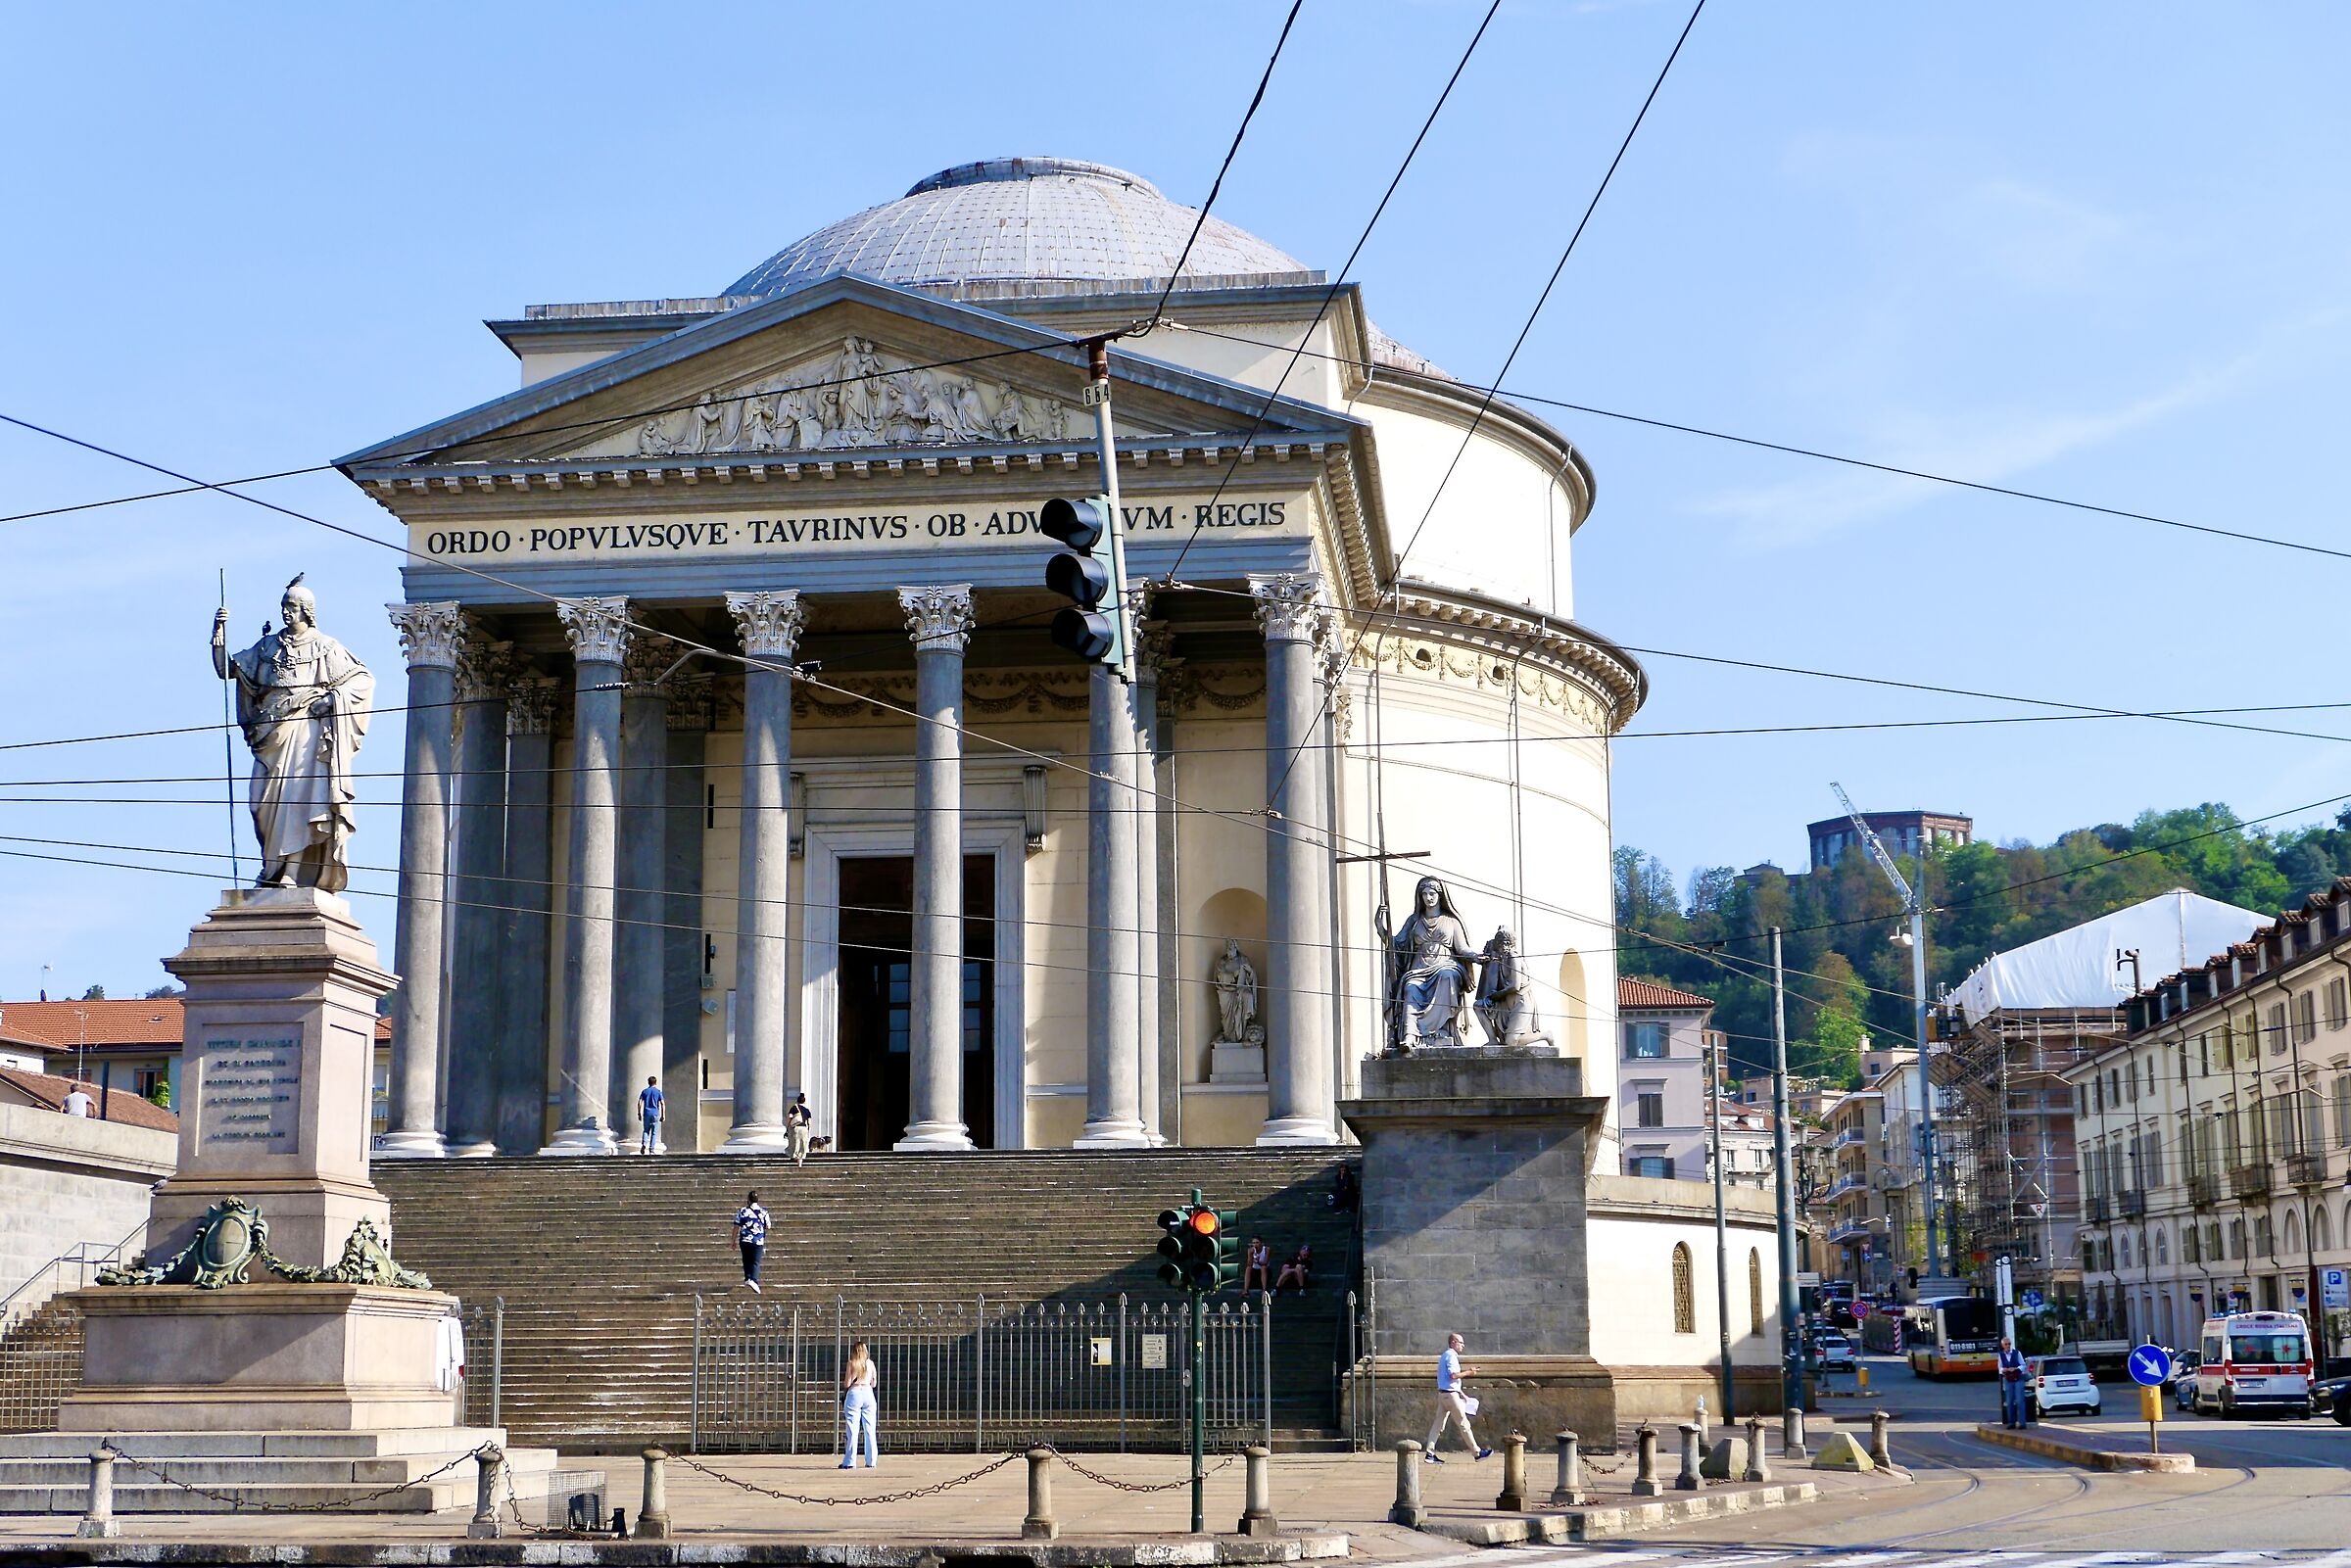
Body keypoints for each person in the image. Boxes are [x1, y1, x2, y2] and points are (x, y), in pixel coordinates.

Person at [1424, 1332, 1491, 1461]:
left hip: (1443, 1395)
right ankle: (1477, 1453)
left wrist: (1462, 1394)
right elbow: (1453, 1376)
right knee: (1463, 1424)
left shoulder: (1445, 1355)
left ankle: (1429, 1453)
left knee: (1438, 1426)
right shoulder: (1451, 1356)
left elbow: (1449, 1381)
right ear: (1453, 1342)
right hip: (1451, 1397)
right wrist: (1469, 1372)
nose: (1463, 1345)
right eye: (1461, 1342)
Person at [840, 1338, 880, 1468]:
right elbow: (874, 1383)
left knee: (852, 1429)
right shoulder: (870, 1364)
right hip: (868, 1393)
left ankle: (850, 1461)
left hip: (855, 1393)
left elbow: (847, 1383)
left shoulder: (852, 1363)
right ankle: (871, 1460)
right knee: (870, 1429)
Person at [736, 1191, 770, 1293]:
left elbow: (736, 1226)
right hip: (758, 1240)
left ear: (748, 1200)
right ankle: (753, 1280)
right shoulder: (764, 1212)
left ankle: (747, 1278)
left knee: (746, 1260)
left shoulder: (742, 1211)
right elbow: (768, 1226)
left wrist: (732, 1240)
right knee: (755, 1261)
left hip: (745, 1239)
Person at [1997, 1336, 2030, 1428]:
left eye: (2009, 1344)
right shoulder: (2001, 1355)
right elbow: (2000, 1368)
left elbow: (2023, 1365)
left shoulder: (2016, 1353)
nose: (2008, 1346)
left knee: (2020, 1400)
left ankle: (2022, 1423)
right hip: (2008, 1379)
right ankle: (2011, 1423)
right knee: (2009, 1401)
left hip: (2018, 1377)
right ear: (2002, 1345)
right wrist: (2005, 1369)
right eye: (2006, 1344)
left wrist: (2016, 1368)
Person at [638, 1075, 664, 1156]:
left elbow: (639, 1103)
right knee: (654, 1132)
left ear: (648, 1082)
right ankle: (651, 1150)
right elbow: (662, 1103)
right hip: (655, 1113)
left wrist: (639, 1113)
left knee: (646, 1130)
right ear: (655, 1083)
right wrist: (663, 1115)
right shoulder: (658, 1092)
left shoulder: (644, 1091)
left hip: (646, 1113)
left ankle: (644, 1143)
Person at [787, 1093, 814, 1165]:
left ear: (797, 1101)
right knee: (803, 1145)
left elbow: (789, 1118)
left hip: (795, 1128)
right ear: (804, 1101)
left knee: (795, 1143)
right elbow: (809, 1122)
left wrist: (788, 1127)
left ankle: (794, 1157)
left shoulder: (794, 1108)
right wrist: (808, 1129)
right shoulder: (807, 1110)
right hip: (804, 1128)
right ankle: (800, 1163)